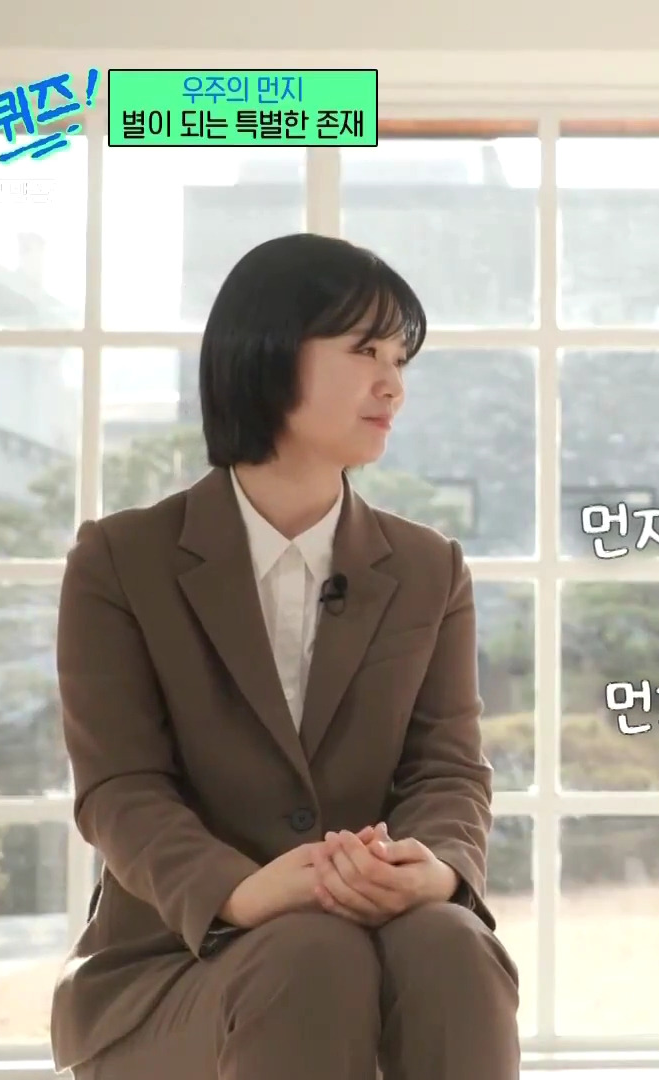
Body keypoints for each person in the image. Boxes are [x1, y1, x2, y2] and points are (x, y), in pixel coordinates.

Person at [50, 233, 520, 1079]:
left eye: (400, 359)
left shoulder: (429, 567)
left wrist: (436, 870)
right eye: (365, 351)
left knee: (454, 944)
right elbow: (120, 787)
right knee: (310, 954)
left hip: (384, 943)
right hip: (173, 968)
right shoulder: (121, 560)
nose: (393, 384)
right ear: (267, 354)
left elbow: (448, 768)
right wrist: (239, 890)